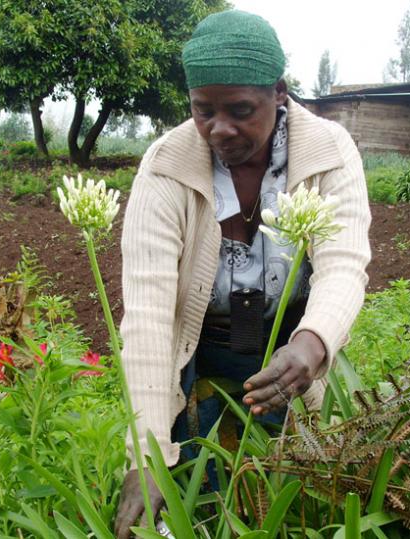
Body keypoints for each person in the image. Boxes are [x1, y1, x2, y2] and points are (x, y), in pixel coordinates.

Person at [114, 9, 371, 538]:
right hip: (200, 358)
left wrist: (312, 344)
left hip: (292, 362)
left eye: (240, 110)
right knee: (201, 503)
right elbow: (148, 314)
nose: (219, 128)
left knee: (293, 503)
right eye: (203, 110)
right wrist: (147, 456)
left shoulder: (328, 152)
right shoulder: (166, 167)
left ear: (279, 93)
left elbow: (344, 264)